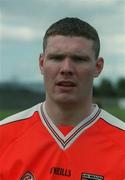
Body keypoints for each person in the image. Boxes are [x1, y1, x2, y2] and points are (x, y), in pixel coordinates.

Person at [0, 17, 125, 180]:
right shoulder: (4, 136)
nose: (66, 69)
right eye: (57, 58)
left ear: (97, 67)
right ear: (42, 63)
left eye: (79, 59)